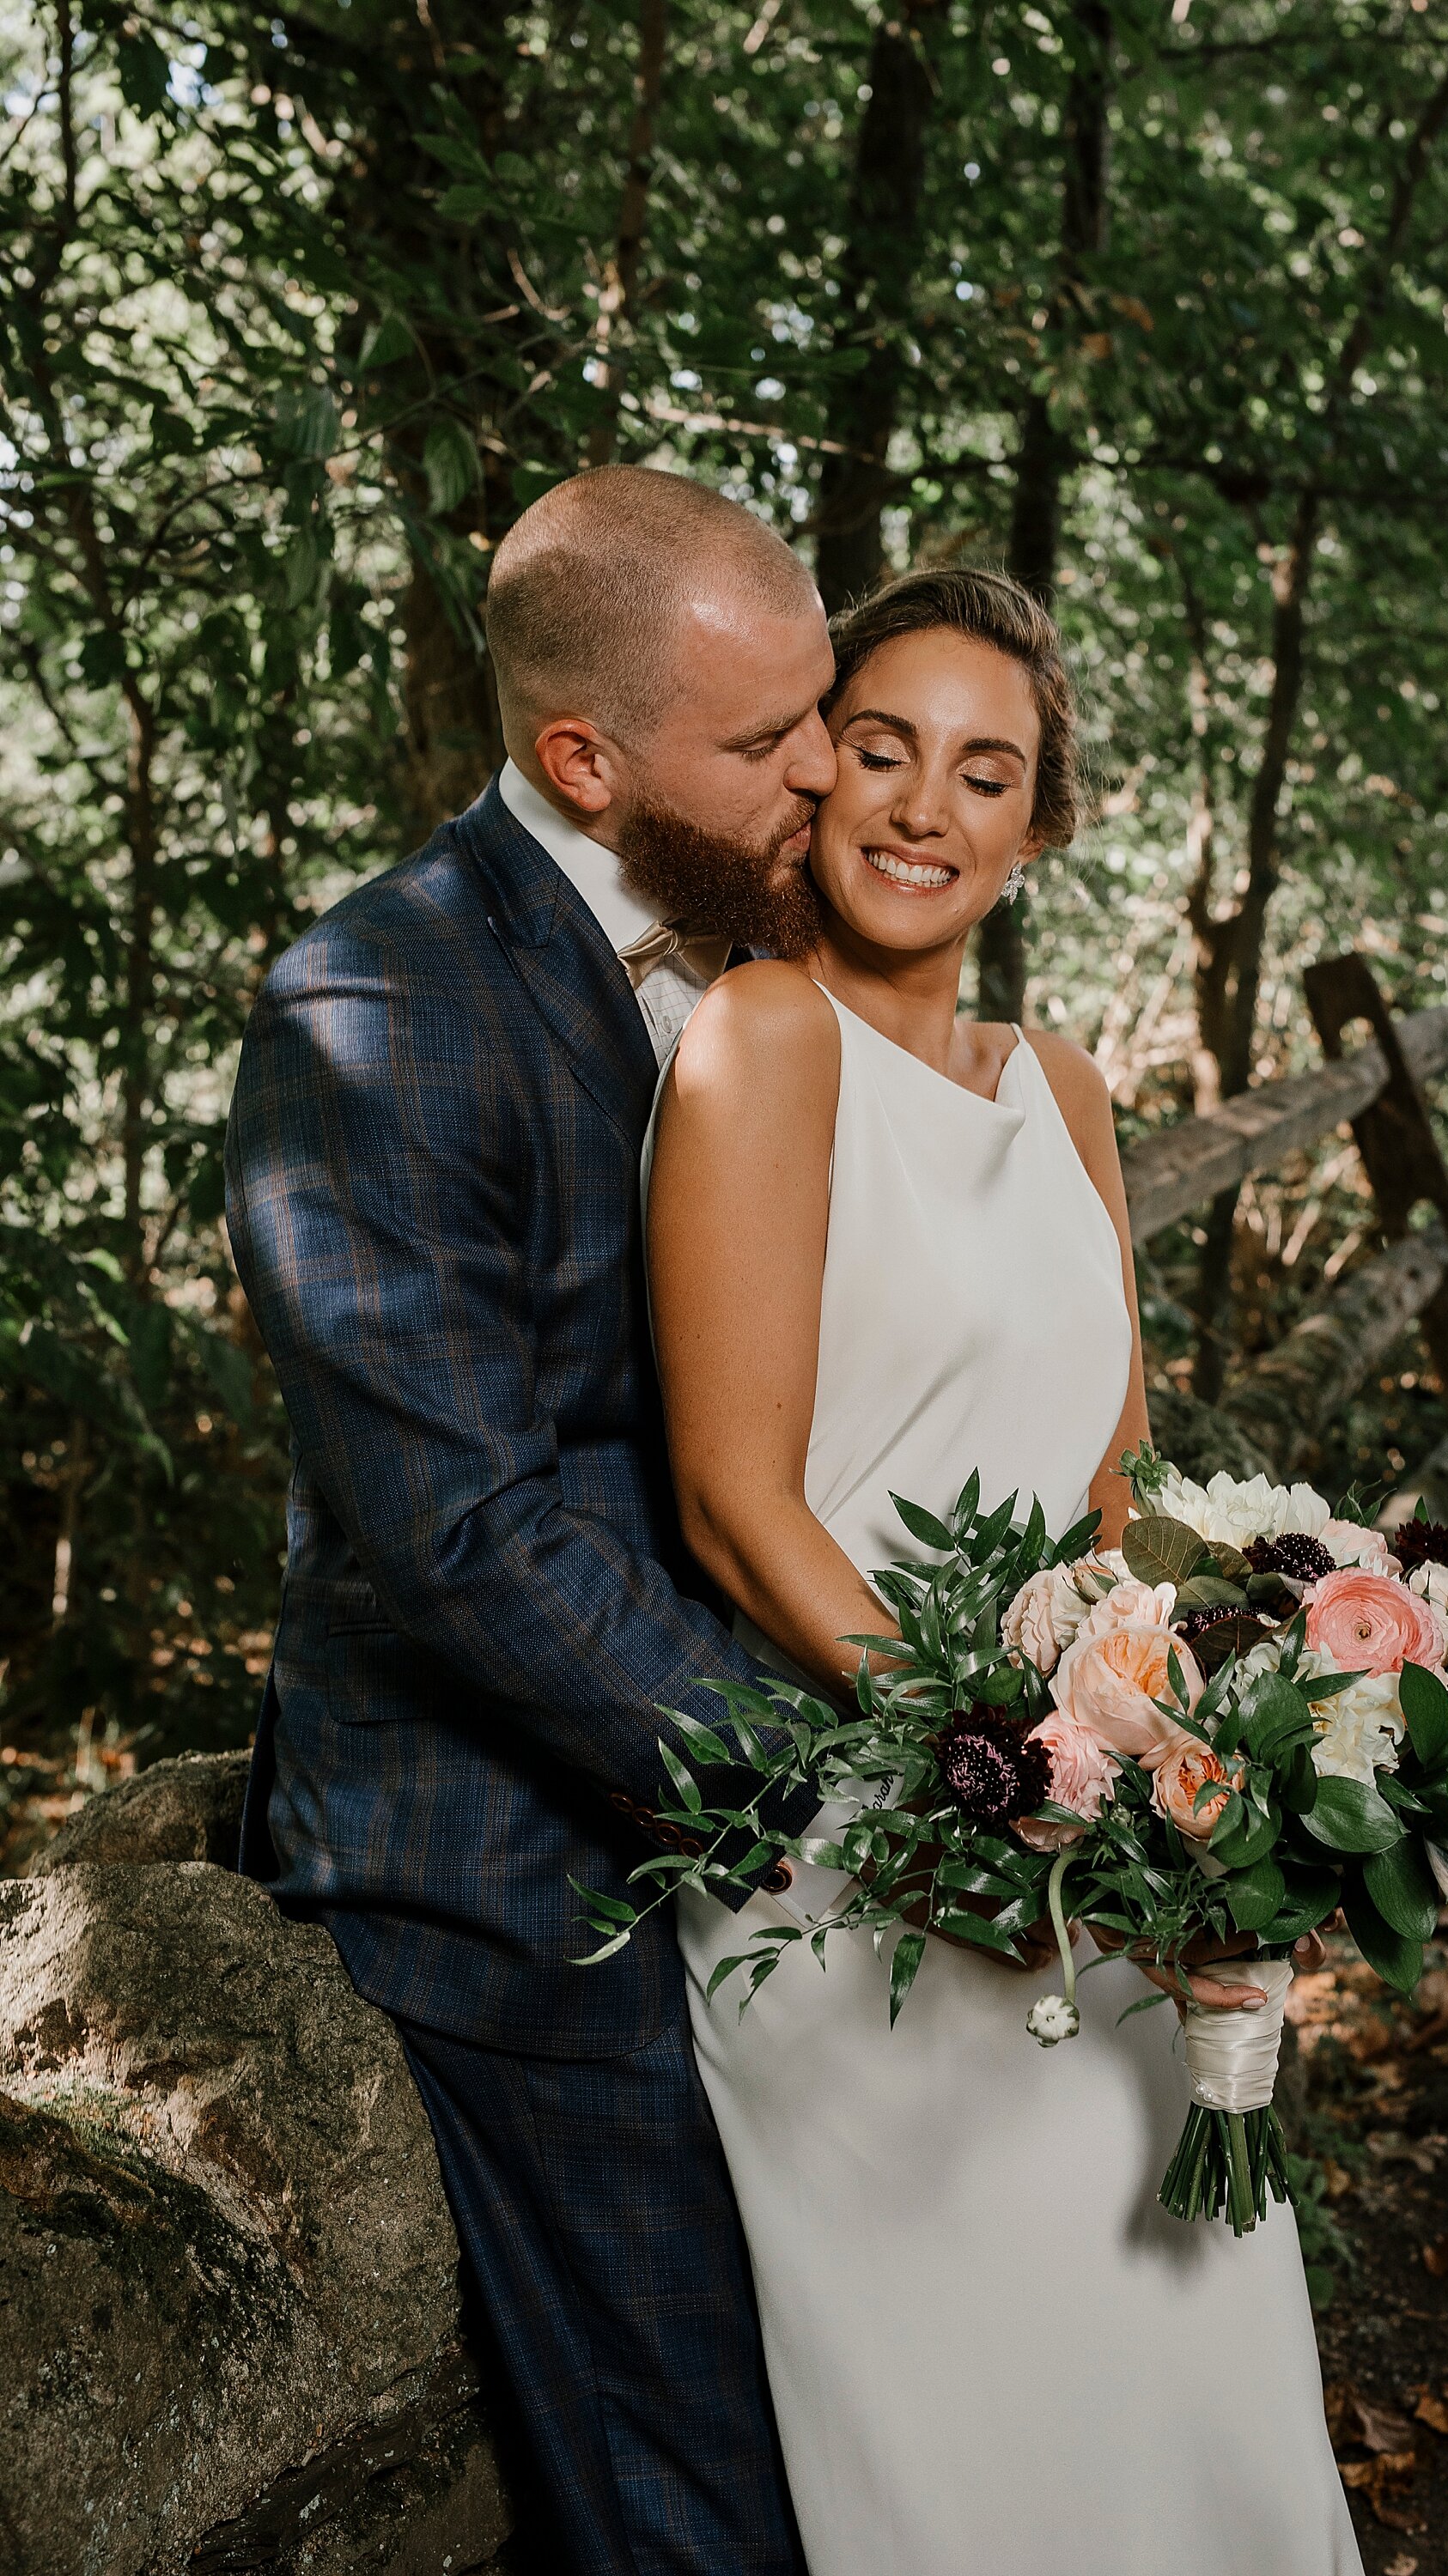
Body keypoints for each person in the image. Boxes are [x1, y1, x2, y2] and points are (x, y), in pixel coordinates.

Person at [645, 566, 1365, 2576]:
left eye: (986, 772)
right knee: (995, 2450)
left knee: (1202, 2354)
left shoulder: (1062, 1090)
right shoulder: (760, 1043)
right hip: (877, 1841)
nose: (921, 807)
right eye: (880, 751)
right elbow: (730, 1499)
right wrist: (994, 1768)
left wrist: (1199, 1778)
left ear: (1039, 824)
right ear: (814, 775)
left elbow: (1111, 1481)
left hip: (1095, 1833)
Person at [223, 465, 841, 2572]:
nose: (825, 777)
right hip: (514, 1879)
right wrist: (849, 1787)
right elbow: (466, 1539)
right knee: (705, 2503)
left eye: (822, 713)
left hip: (774, 1819)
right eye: (767, 743)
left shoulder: (779, 946)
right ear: (583, 759)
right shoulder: (377, 1004)